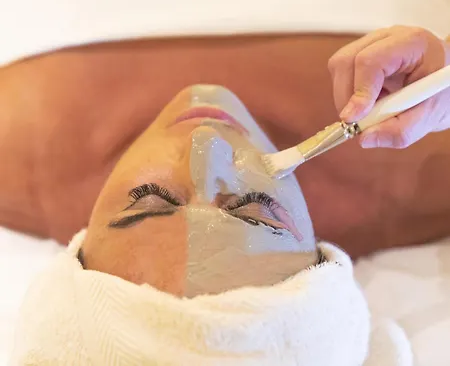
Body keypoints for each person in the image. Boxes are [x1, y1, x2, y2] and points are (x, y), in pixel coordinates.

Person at [11, 84, 413, 365]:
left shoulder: (16, 138)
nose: (206, 143)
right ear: (317, 252)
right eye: (253, 211)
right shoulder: (415, 158)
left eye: (148, 203)